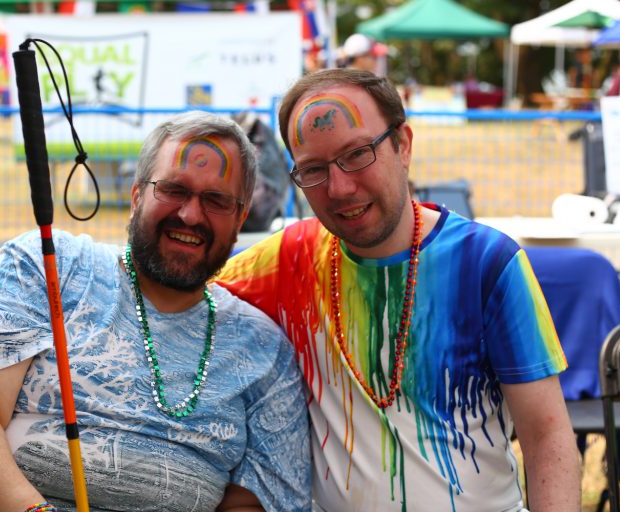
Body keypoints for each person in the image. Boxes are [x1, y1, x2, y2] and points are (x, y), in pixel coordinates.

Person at [0, 111, 311, 511]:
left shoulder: (263, 351)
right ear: (137, 195)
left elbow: (255, 502)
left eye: (216, 200)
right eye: (174, 190)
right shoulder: (48, 265)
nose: (190, 214)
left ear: (240, 218)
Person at [215, 69, 581, 511]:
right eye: (313, 170)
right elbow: (181, 291)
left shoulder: (486, 262)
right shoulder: (289, 259)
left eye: (357, 154)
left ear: (403, 145)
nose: (339, 187)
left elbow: (547, 436)